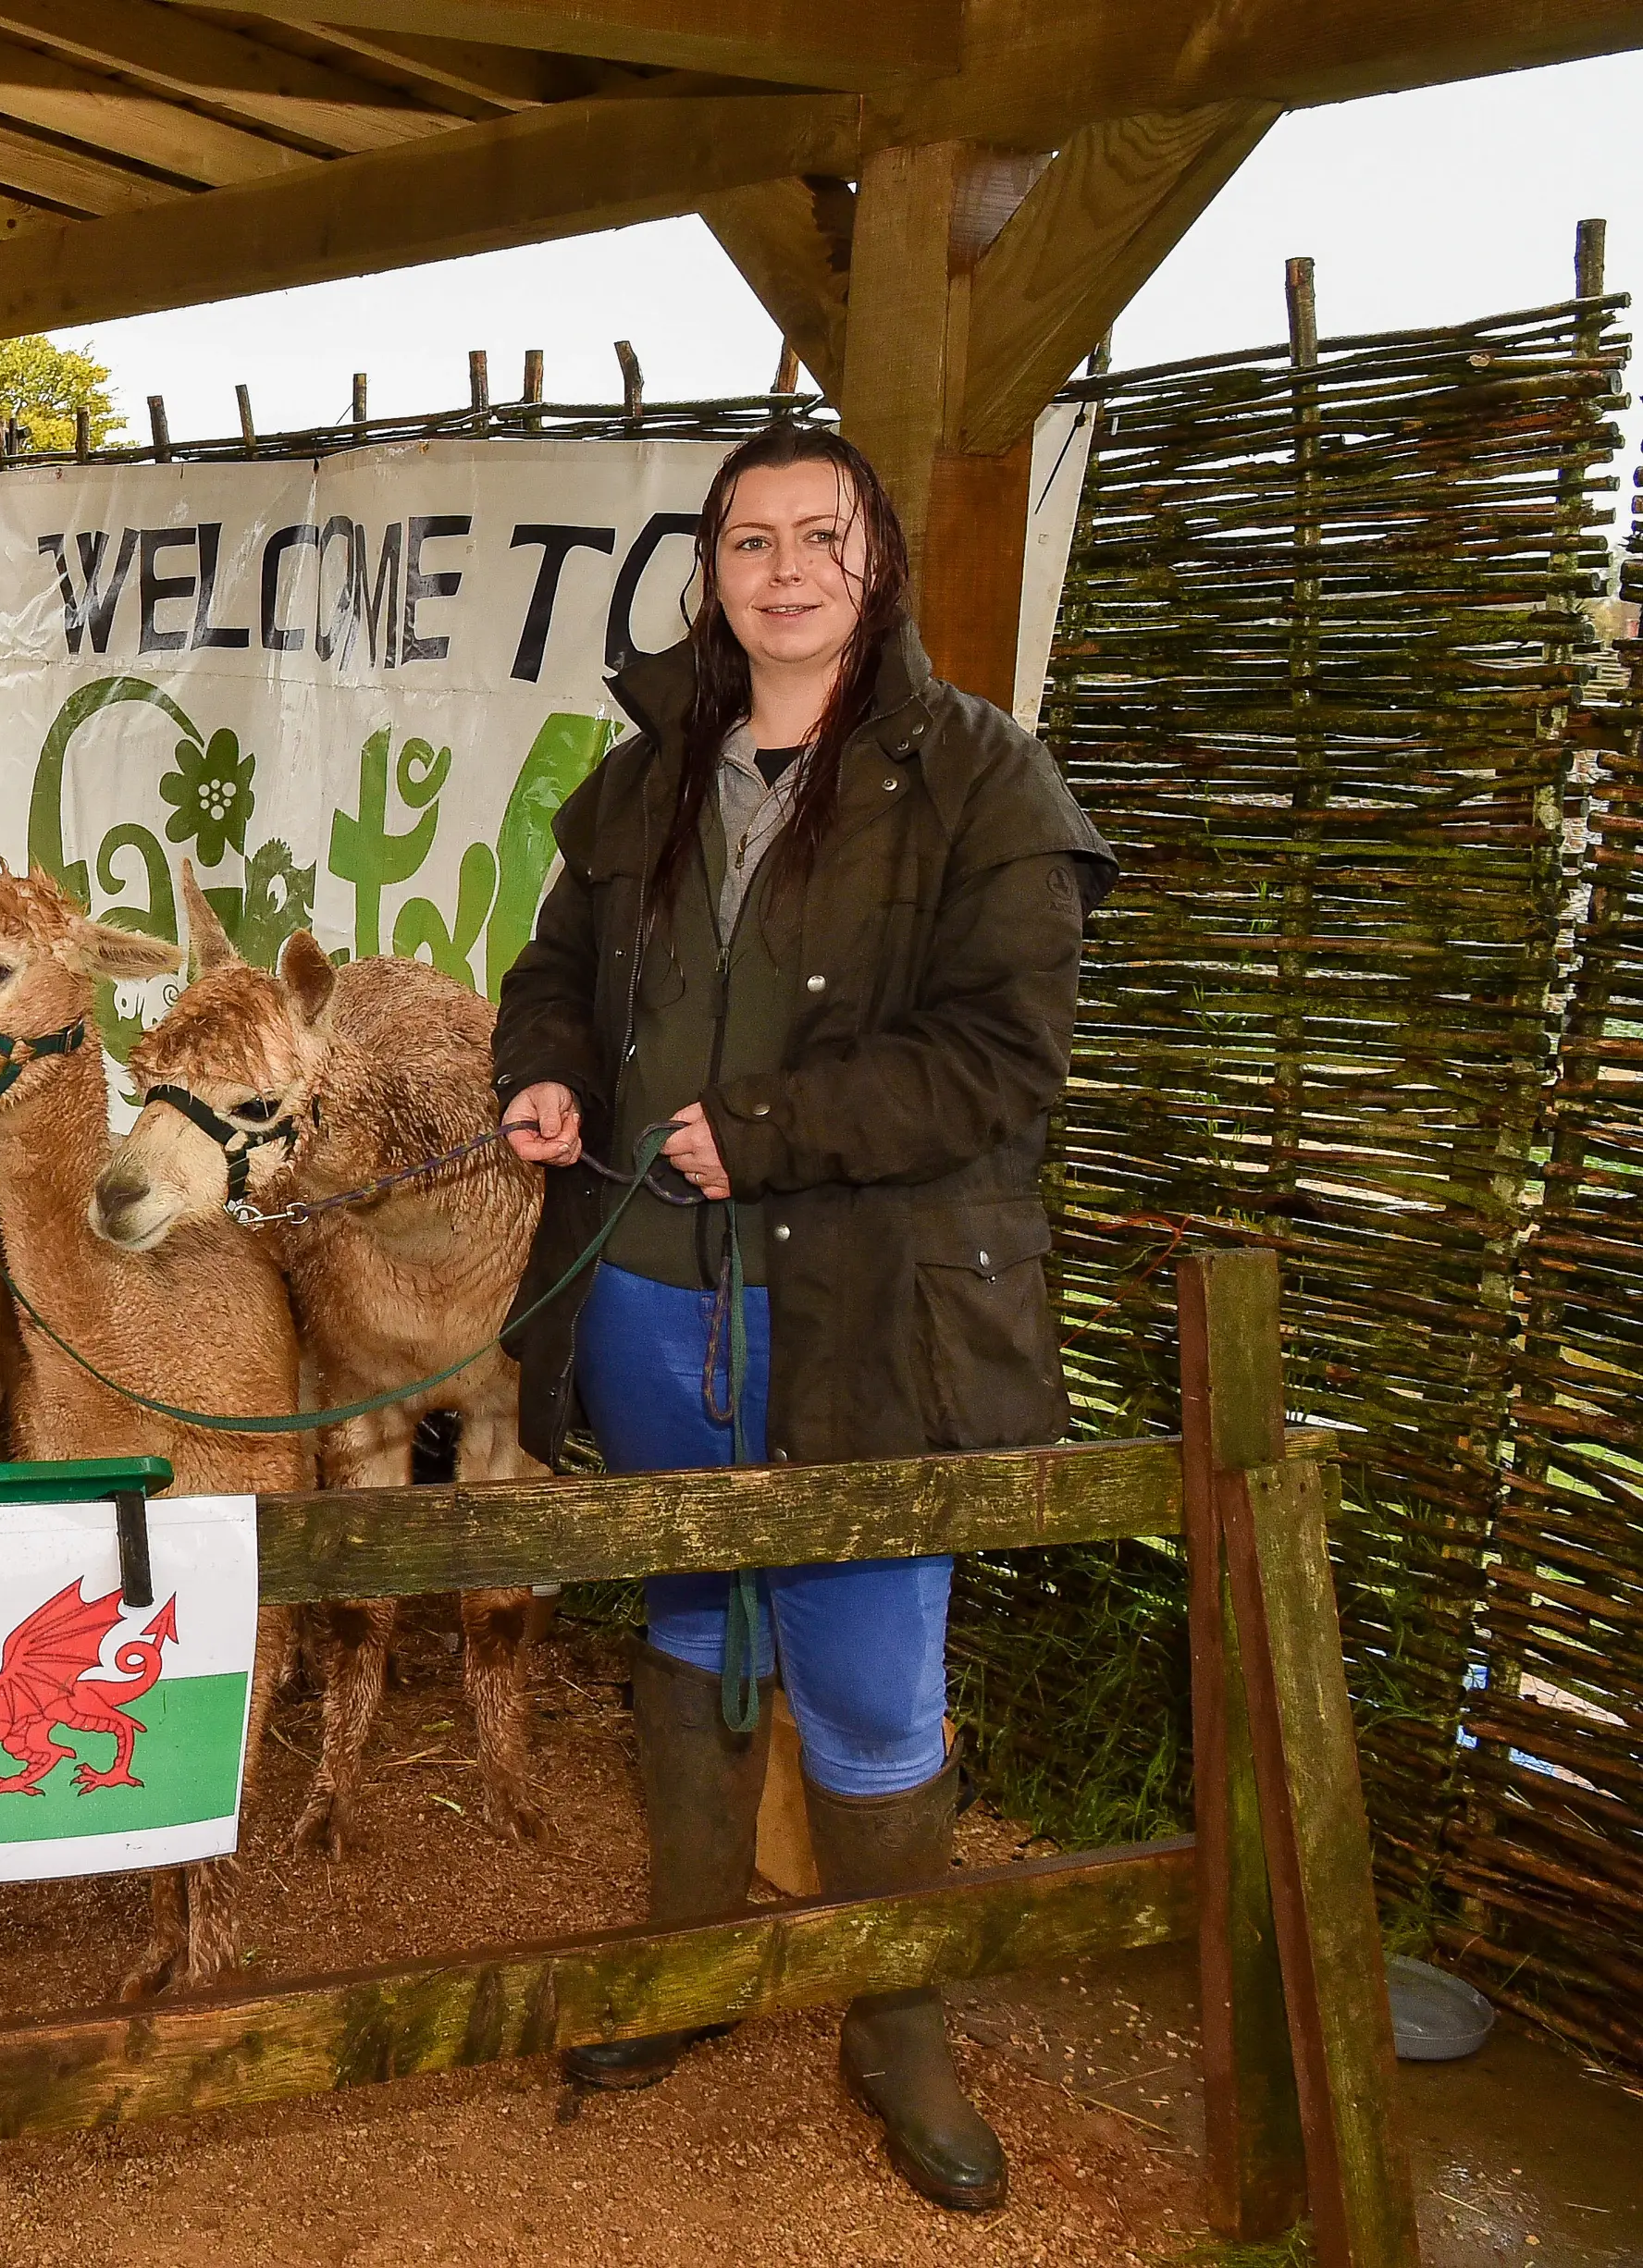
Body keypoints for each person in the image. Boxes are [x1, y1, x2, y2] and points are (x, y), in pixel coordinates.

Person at [492, 423, 1112, 2213]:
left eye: (818, 537)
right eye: (748, 539)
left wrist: (770, 1126)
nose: (782, 569)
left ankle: (894, 2018)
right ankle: (689, 1964)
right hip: (643, 1287)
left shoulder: (985, 777)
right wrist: (544, 1071)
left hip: (864, 1308)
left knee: (866, 1669)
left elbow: (1009, 1057)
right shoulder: (650, 774)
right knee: (689, 1616)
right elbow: (554, 969)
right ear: (712, 569)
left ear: (878, 558)